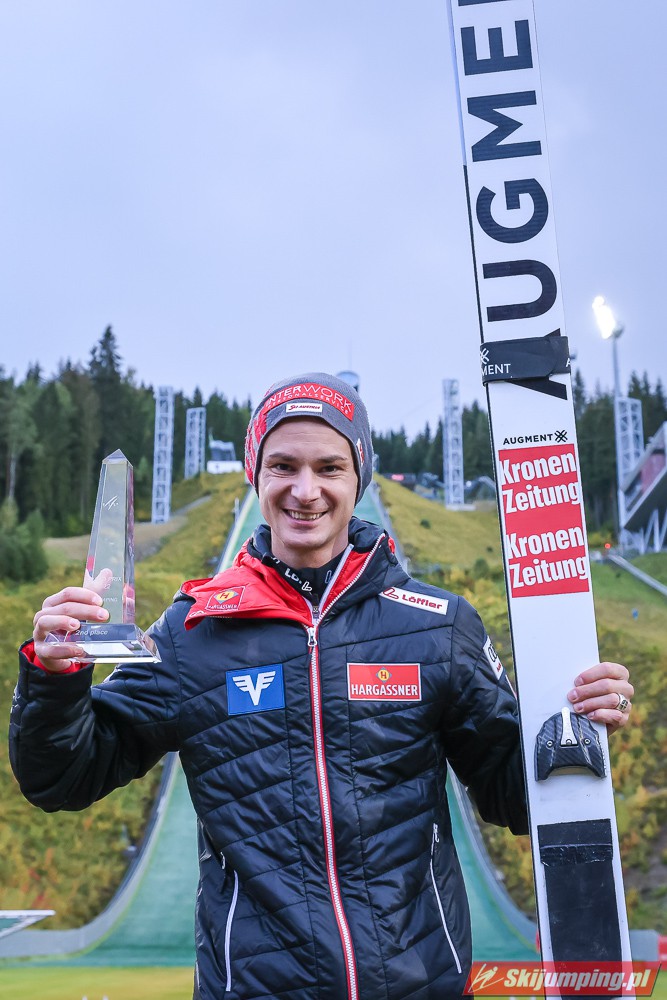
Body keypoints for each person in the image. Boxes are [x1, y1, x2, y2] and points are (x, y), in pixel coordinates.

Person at [10, 372, 633, 1000]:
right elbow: (63, 778)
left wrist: (577, 724)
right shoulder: (191, 633)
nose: (305, 491)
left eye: (329, 467)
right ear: (255, 475)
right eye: (283, 466)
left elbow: (514, 797)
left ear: (359, 477)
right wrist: (54, 678)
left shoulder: (437, 627)